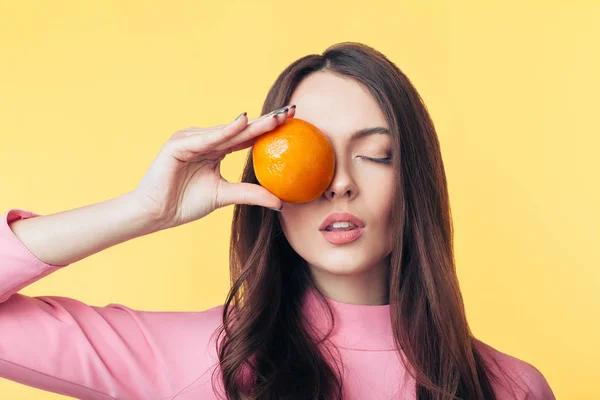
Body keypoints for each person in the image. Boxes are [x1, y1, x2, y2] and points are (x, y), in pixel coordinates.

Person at [0, 42, 555, 400]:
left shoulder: (512, 388)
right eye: (309, 153)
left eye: (375, 153)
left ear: (415, 178)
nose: (339, 181)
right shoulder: (208, 358)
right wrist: (145, 209)